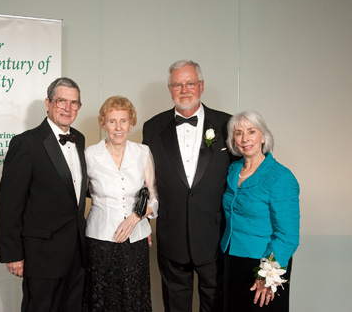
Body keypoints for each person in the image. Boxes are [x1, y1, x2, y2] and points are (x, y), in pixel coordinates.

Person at [143, 60, 233, 311]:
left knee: (216, 305)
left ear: (201, 86)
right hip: (171, 237)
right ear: (170, 89)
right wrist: (141, 221)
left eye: (190, 83)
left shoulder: (228, 124)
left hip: (216, 237)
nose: (184, 89)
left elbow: (243, 174)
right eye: (177, 84)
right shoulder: (152, 128)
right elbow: (144, 182)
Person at [0, 77, 87, 311]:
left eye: (74, 103)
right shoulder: (25, 144)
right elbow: (9, 204)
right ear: (48, 103)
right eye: (61, 101)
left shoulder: (79, 139)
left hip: (77, 253)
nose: (68, 108)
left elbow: (76, 190)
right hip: (42, 254)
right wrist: (13, 253)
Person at [82, 96, 158, 311]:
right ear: (103, 123)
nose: (118, 127)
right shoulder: (89, 155)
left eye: (123, 121)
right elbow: (78, 196)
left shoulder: (143, 152)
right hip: (100, 239)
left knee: (134, 298)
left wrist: (136, 218)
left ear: (131, 123)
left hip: (136, 241)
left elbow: (154, 197)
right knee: (102, 299)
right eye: (112, 121)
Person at [220, 110, 300, 311]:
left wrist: (267, 274)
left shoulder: (281, 177)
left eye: (251, 131)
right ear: (233, 140)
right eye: (238, 133)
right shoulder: (233, 170)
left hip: (263, 263)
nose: (245, 138)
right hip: (232, 260)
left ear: (263, 136)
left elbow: (288, 236)